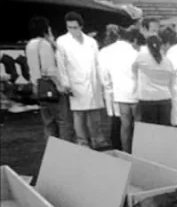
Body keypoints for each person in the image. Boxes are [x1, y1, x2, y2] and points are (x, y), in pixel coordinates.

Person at [55, 11, 108, 149]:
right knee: (79, 114)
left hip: (93, 81)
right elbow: (61, 64)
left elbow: (98, 63)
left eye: (75, 27)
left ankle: (98, 140)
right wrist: (65, 83)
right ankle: (82, 141)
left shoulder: (91, 42)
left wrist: (102, 81)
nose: (72, 30)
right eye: (69, 27)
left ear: (81, 26)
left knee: (94, 113)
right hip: (75, 82)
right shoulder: (62, 41)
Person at [26, 16, 74, 141]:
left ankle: (52, 149)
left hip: (39, 87)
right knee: (63, 121)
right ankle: (64, 148)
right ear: (45, 29)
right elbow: (49, 69)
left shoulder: (30, 45)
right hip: (51, 87)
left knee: (48, 122)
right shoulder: (44, 45)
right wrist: (59, 86)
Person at [98, 25, 138, 152]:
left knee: (122, 124)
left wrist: (109, 87)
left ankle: (123, 151)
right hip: (134, 93)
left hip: (118, 93)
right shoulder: (134, 53)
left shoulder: (106, 51)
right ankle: (136, 151)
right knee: (136, 125)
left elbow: (104, 74)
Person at [133, 34, 173, 126]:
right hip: (165, 98)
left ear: (147, 46)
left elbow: (133, 69)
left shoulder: (142, 58)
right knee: (164, 129)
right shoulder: (167, 61)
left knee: (150, 130)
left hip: (147, 99)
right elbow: (170, 76)